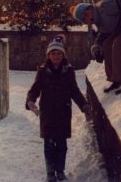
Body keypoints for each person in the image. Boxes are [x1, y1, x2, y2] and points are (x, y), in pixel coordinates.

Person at [25, 37, 92, 182]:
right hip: (47, 113)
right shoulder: (43, 71)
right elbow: (35, 89)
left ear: (63, 55)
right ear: (48, 55)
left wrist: (84, 105)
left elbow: (74, 90)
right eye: (53, 53)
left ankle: (60, 171)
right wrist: (30, 100)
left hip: (63, 112)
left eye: (59, 53)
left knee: (61, 144)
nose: (56, 56)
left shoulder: (68, 71)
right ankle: (50, 172)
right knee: (48, 144)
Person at [70, 0, 121, 94]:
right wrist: (96, 47)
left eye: (86, 14)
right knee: (107, 45)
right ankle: (115, 80)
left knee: (118, 43)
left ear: (90, 8)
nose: (87, 18)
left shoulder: (104, 6)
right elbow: (103, 34)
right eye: (84, 19)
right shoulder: (99, 22)